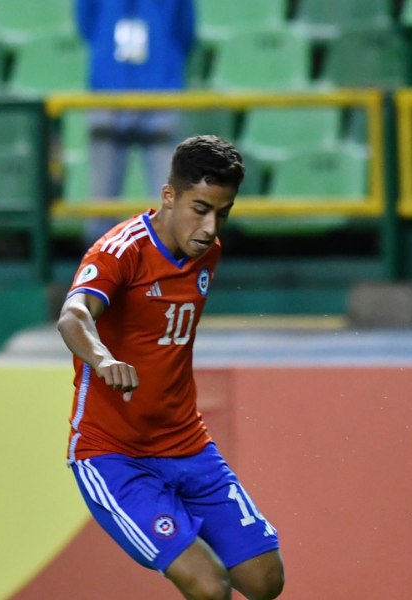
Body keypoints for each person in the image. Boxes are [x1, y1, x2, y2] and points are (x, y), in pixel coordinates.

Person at [56, 136, 284, 600]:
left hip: (186, 442)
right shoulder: (119, 250)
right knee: (207, 584)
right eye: (199, 208)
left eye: (223, 212)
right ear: (168, 196)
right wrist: (102, 358)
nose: (209, 226)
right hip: (112, 453)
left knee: (265, 580)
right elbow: (73, 315)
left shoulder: (207, 252)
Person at [76, 0, 196, 246]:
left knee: (168, 196)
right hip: (108, 89)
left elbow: (186, 30)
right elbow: (86, 23)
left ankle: (168, 272)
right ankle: (100, 275)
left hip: (161, 90)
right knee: (102, 200)